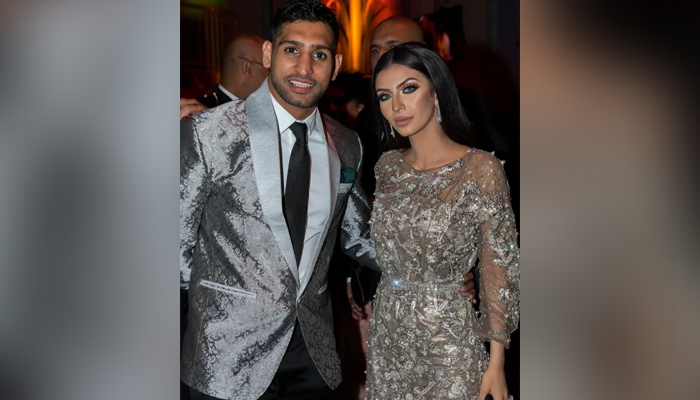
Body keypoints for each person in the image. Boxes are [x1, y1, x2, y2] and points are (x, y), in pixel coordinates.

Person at [180, 2, 377, 399]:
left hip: (314, 356)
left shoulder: (346, 144)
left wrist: (437, 270)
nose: (304, 68)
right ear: (268, 54)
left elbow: (359, 236)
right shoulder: (209, 132)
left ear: (336, 65)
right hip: (226, 356)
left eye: (319, 55)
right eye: (292, 50)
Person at [366, 43, 519, 400]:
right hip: (388, 335)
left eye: (408, 89)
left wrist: (496, 362)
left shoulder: (480, 169)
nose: (396, 106)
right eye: (385, 96)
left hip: (449, 337)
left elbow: (499, 265)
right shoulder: (387, 168)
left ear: (436, 92)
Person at [179, 34, 267, 119]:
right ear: (247, 69)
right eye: (270, 68)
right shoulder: (196, 115)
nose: (272, 77)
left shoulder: (265, 111)